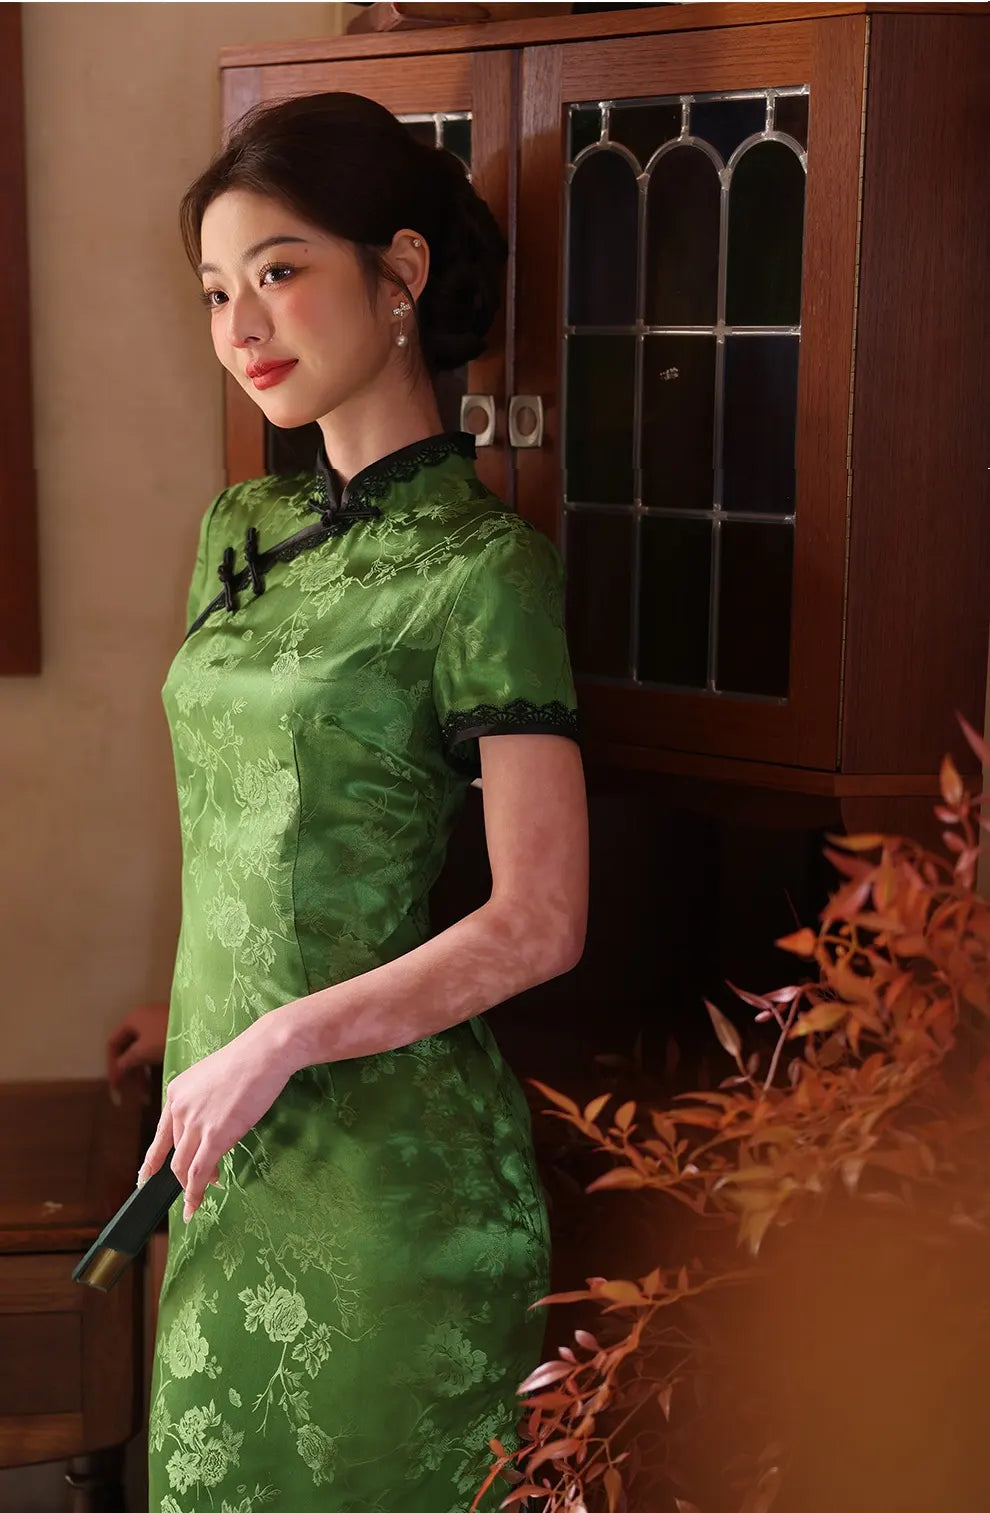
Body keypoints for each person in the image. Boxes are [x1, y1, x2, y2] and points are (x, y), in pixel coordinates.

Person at [105, 90, 588, 1512]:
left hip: (394, 1187)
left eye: (279, 271)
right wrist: (195, 1007)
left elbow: (541, 920)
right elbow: (252, 811)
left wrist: (275, 1031)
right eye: (214, 290)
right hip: (229, 1148)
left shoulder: (484, 567)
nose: (241, 326)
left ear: (400, 275)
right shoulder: (238, 530)